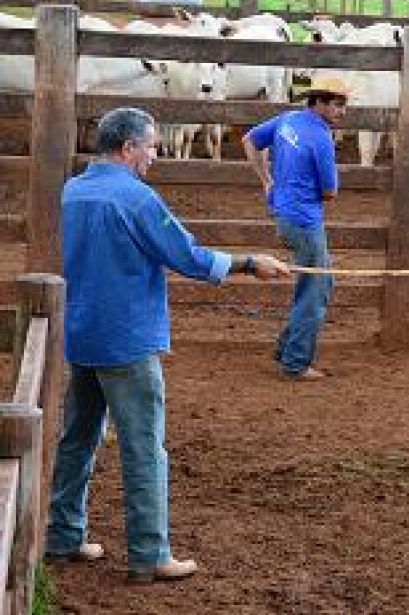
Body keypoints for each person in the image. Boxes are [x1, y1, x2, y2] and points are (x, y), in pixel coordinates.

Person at [46, 107, 289, 584]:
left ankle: (63, 535)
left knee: (78, 436)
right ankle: (149, 553)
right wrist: (248, 262)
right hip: (127, 337)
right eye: (151, 146)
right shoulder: (136, 198)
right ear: (127, 148)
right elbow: (185, 255)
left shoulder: (74, 189)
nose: (155, 155)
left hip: (83, 330)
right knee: (143, 446)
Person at [242, 75, 347, 381]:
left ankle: (287, 348)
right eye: (338, 105)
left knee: (319, 283)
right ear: (319, 103)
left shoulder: (288, 120)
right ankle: (295, 362)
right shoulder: (321, 138)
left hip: (285, 215)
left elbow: (250, 140)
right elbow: (330, 192)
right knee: (315, 290)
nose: (343, 112)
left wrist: (267, 181)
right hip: (305, 220)